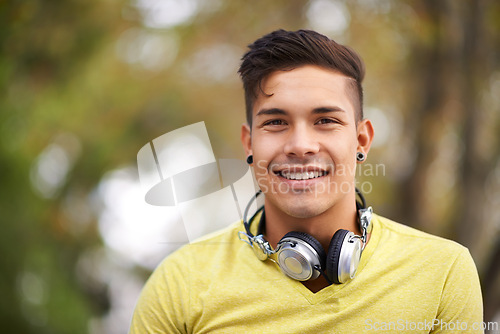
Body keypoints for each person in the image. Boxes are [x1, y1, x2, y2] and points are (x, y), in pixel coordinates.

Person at [129, 29, 483, 333]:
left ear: (361, 140)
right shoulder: (180, 281)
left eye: (325, 120)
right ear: (249, 142)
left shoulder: (443, 272)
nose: (300, 146)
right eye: (276, 122)